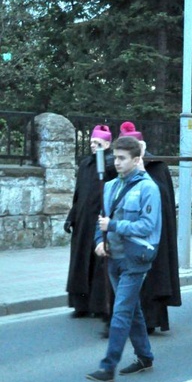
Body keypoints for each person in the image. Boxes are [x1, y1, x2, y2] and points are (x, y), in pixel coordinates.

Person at [86, 135, 162, 382]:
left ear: (136, 159)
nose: (116, 162)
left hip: (136, 257)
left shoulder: (148, 188)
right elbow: (102, 219)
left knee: (120, 311)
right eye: (115, 157)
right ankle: (145, 357)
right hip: (114, 256)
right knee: (132, 309)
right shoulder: (109, 186)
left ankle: (108, 366)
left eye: (121, 158)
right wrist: (99, 240)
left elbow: (147, 225)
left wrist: (114, 225)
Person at [119, 121, 181, 334]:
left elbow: (162, 201)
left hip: (151, 238)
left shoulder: (157, 167)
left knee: (151, 280)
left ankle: (150, 322)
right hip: (127, 236)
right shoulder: (120, 171)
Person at [65, 125, 117, 319]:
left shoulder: (111, 164)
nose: (94, 146)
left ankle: (99, 305)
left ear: (108, 143)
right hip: (83, 222)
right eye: (92, 143)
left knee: (98, 263)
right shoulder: (86, 164)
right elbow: (79, 194)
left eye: (98, 143)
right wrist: (72, 216)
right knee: (80, 262)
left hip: (100, 221)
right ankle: (81, 304)